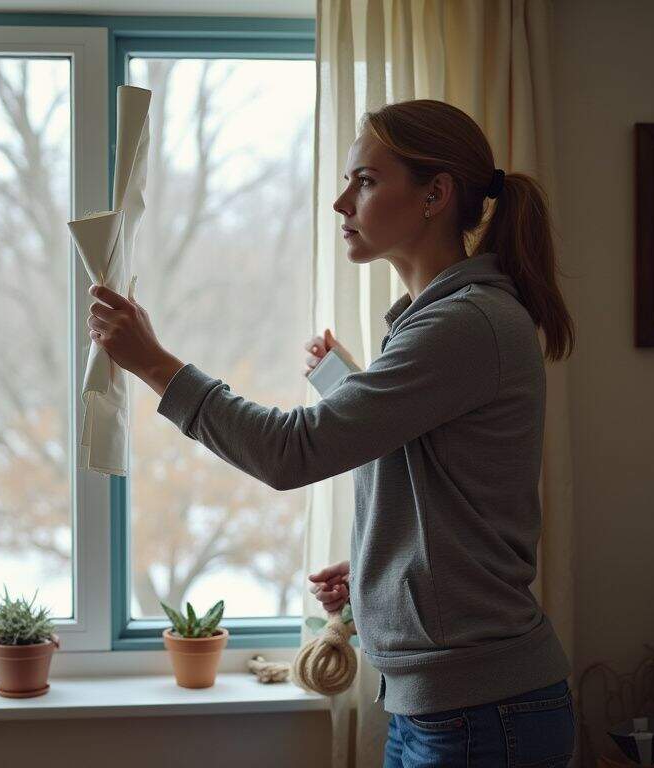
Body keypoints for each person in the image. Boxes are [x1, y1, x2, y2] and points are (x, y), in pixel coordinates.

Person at [85, 98, 576, 767]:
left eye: (366, 181)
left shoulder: (466, 323)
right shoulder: (435, 321)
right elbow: (444, 488)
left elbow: (292, 452)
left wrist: (154, 365)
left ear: (436, 194)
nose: (342, 202)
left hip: (482, 713)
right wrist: (385, 567)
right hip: (444, 706)